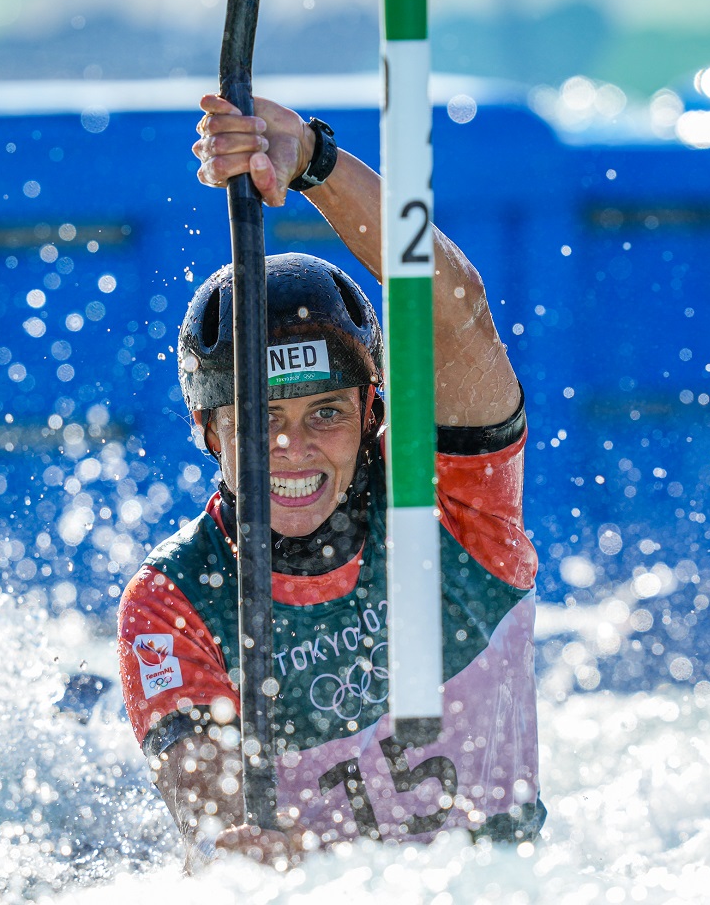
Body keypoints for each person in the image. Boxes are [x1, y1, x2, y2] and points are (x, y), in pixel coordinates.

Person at [116, 94, 543, 866]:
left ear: (373, 408)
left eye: (326, 414)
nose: (294, 449)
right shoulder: (174, 600)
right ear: (206, 431)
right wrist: (245, 843)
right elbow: (202, 798)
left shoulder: (452, 509)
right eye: (258, 420)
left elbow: (454, 309)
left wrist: (317, 161)